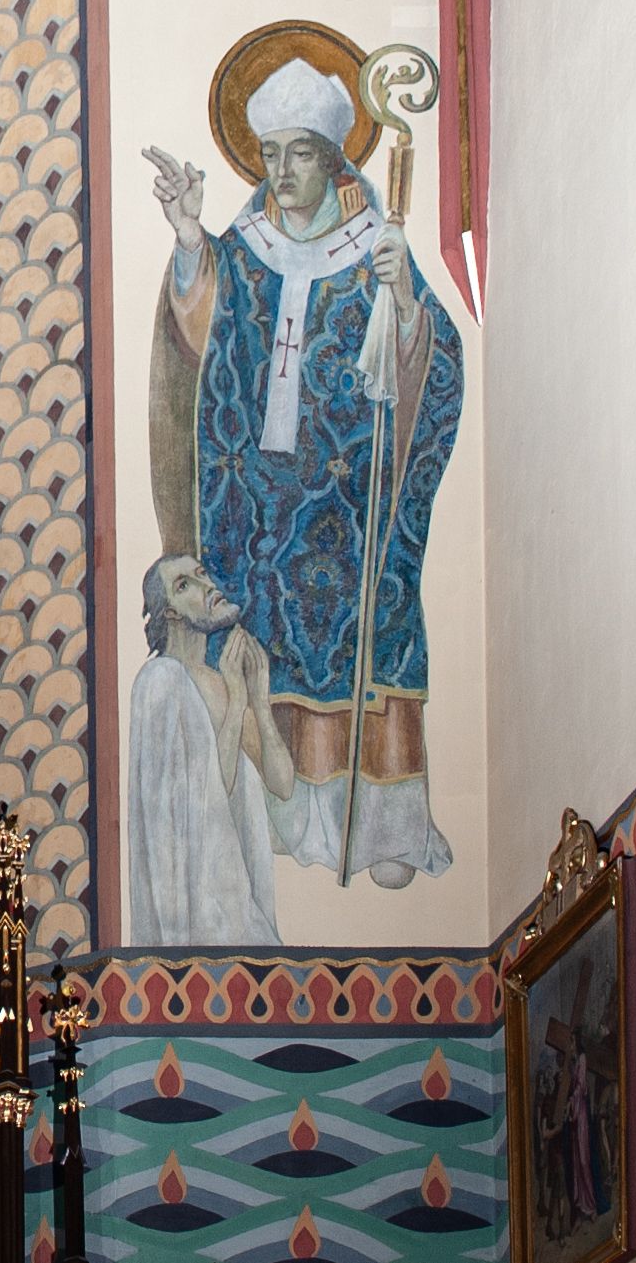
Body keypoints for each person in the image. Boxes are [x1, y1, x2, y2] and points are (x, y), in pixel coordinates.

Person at [146, 53, 461, 889]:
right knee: (259, 649)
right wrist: (190, 241)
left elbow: (433, 366)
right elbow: (196, 336)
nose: (281, 170)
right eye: (270, 152)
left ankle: (379, 825)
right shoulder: (244, 247)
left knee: (371, 630)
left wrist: (405, 304)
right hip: (254, 505)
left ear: (333, 158)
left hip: (348, 504)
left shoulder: (375, 246)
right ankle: (279, 823)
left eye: (300, 152)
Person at [127, 553, 295, 941]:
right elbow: (201, 804)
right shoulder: (160, 681)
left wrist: (259, 700)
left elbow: (283, 784)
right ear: (170, 612)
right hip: (197, 918)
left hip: (239, 912)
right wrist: (236, 704)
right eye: (185, 584)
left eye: (202, 574)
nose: (207, 586)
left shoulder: (220, 681)